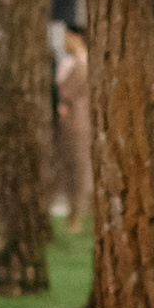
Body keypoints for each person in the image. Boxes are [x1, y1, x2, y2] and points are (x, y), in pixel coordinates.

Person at [53, 21, 93, 233]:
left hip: (78, 123)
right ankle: (71, 210)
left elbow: (71, 90)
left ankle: (77, 212)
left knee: (78, 168)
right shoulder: (69, 62)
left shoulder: (82, 63)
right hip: (68, 124)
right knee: (67, 167)